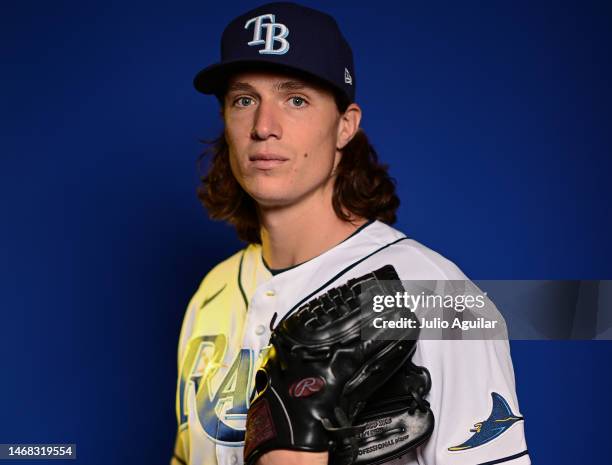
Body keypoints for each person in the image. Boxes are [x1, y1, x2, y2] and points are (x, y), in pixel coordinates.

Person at [172, 2, 530, 465]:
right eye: (244, 100)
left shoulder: (440, 296)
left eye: (295, 99)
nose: (263, 127)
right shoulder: (210, 295)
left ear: (346, 126)